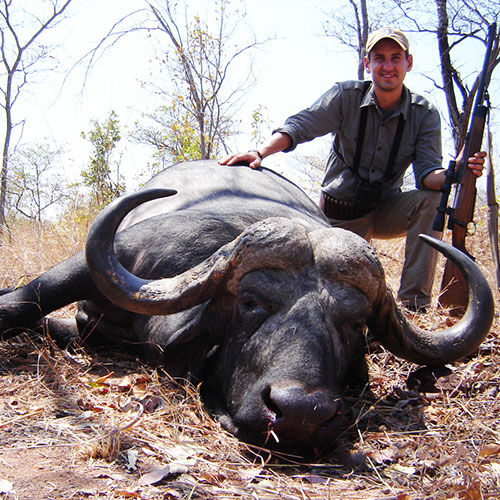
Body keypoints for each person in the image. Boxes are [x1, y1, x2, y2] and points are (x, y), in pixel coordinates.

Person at [219, 26, 485, 312]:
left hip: (384, 210)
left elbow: (428, 178)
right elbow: (300, 125)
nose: (388, 66)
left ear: (408, 62)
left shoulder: (424, 113)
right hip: (336, 217)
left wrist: (456, 172)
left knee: (432, 201)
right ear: (367, 63)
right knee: (328, 296)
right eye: (379, 58)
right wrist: (260, 152)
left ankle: (413, 307)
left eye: (396, 57)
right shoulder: (345, 96)